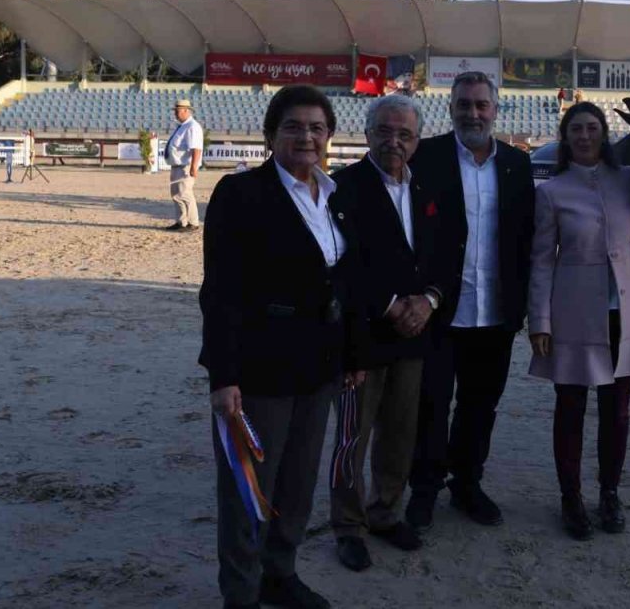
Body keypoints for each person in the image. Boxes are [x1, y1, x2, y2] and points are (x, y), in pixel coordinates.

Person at [199, 84, 370, 609]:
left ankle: (280, 573)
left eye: (317, 128)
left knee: (297, 484)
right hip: (259, 370)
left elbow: (348, 283)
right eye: (294, 126)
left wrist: (353, 357)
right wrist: (224, 376)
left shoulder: (338, 196)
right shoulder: (241, 193)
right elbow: (221, 290)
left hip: (319, 368)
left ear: (330, 138)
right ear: (271, 135)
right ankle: (242, 593)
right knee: (250, 489)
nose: (307, 136)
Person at [527, 102, 630, 540]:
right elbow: (541, 261)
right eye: (576, 130)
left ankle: (609, 492)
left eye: (592, 128)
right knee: (570, 408)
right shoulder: (551, 191)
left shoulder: (629, 181)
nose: (585, 136)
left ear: (603, 134)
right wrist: (540, 320)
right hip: (572, 311)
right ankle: (570, 497)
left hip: (625, 311)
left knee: (618, 411)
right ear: (566, 137)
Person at [330, 94, 458, 572]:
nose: (394, 141)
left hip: (414, 333)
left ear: (417, 139)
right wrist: (388, 304)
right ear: (366, 134)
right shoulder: (341, 188)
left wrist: (429, 301)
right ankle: (347, 525)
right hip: (361, 336)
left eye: (404, 134)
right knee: (352, 437)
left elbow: (445, 257)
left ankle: (385, 511)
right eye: (384, 131)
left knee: (401, 433)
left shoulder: (428, 191)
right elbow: (341, 264)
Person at [406, 72, 535, 531]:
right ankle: (423, 490)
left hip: (496, 313)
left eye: (481, 105)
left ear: (496, 110)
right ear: (451, 109)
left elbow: (525, 240)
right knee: (430, 405)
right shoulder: (425, 157)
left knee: (481, 406)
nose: (473, 113)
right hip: (438, 312)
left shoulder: (518, 166)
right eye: (464, 105)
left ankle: (467, 484)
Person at [165, 98, 204, 231]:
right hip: (177, 165)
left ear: (186, 110)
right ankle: (181, 221)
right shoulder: (183, 126)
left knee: (185, 193)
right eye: (175, 110)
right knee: (176, 194)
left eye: (178, 110)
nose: (175, 113)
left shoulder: (192, 126)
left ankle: (193, 222)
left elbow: (196, 148)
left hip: (185, 165)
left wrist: (193, 167)